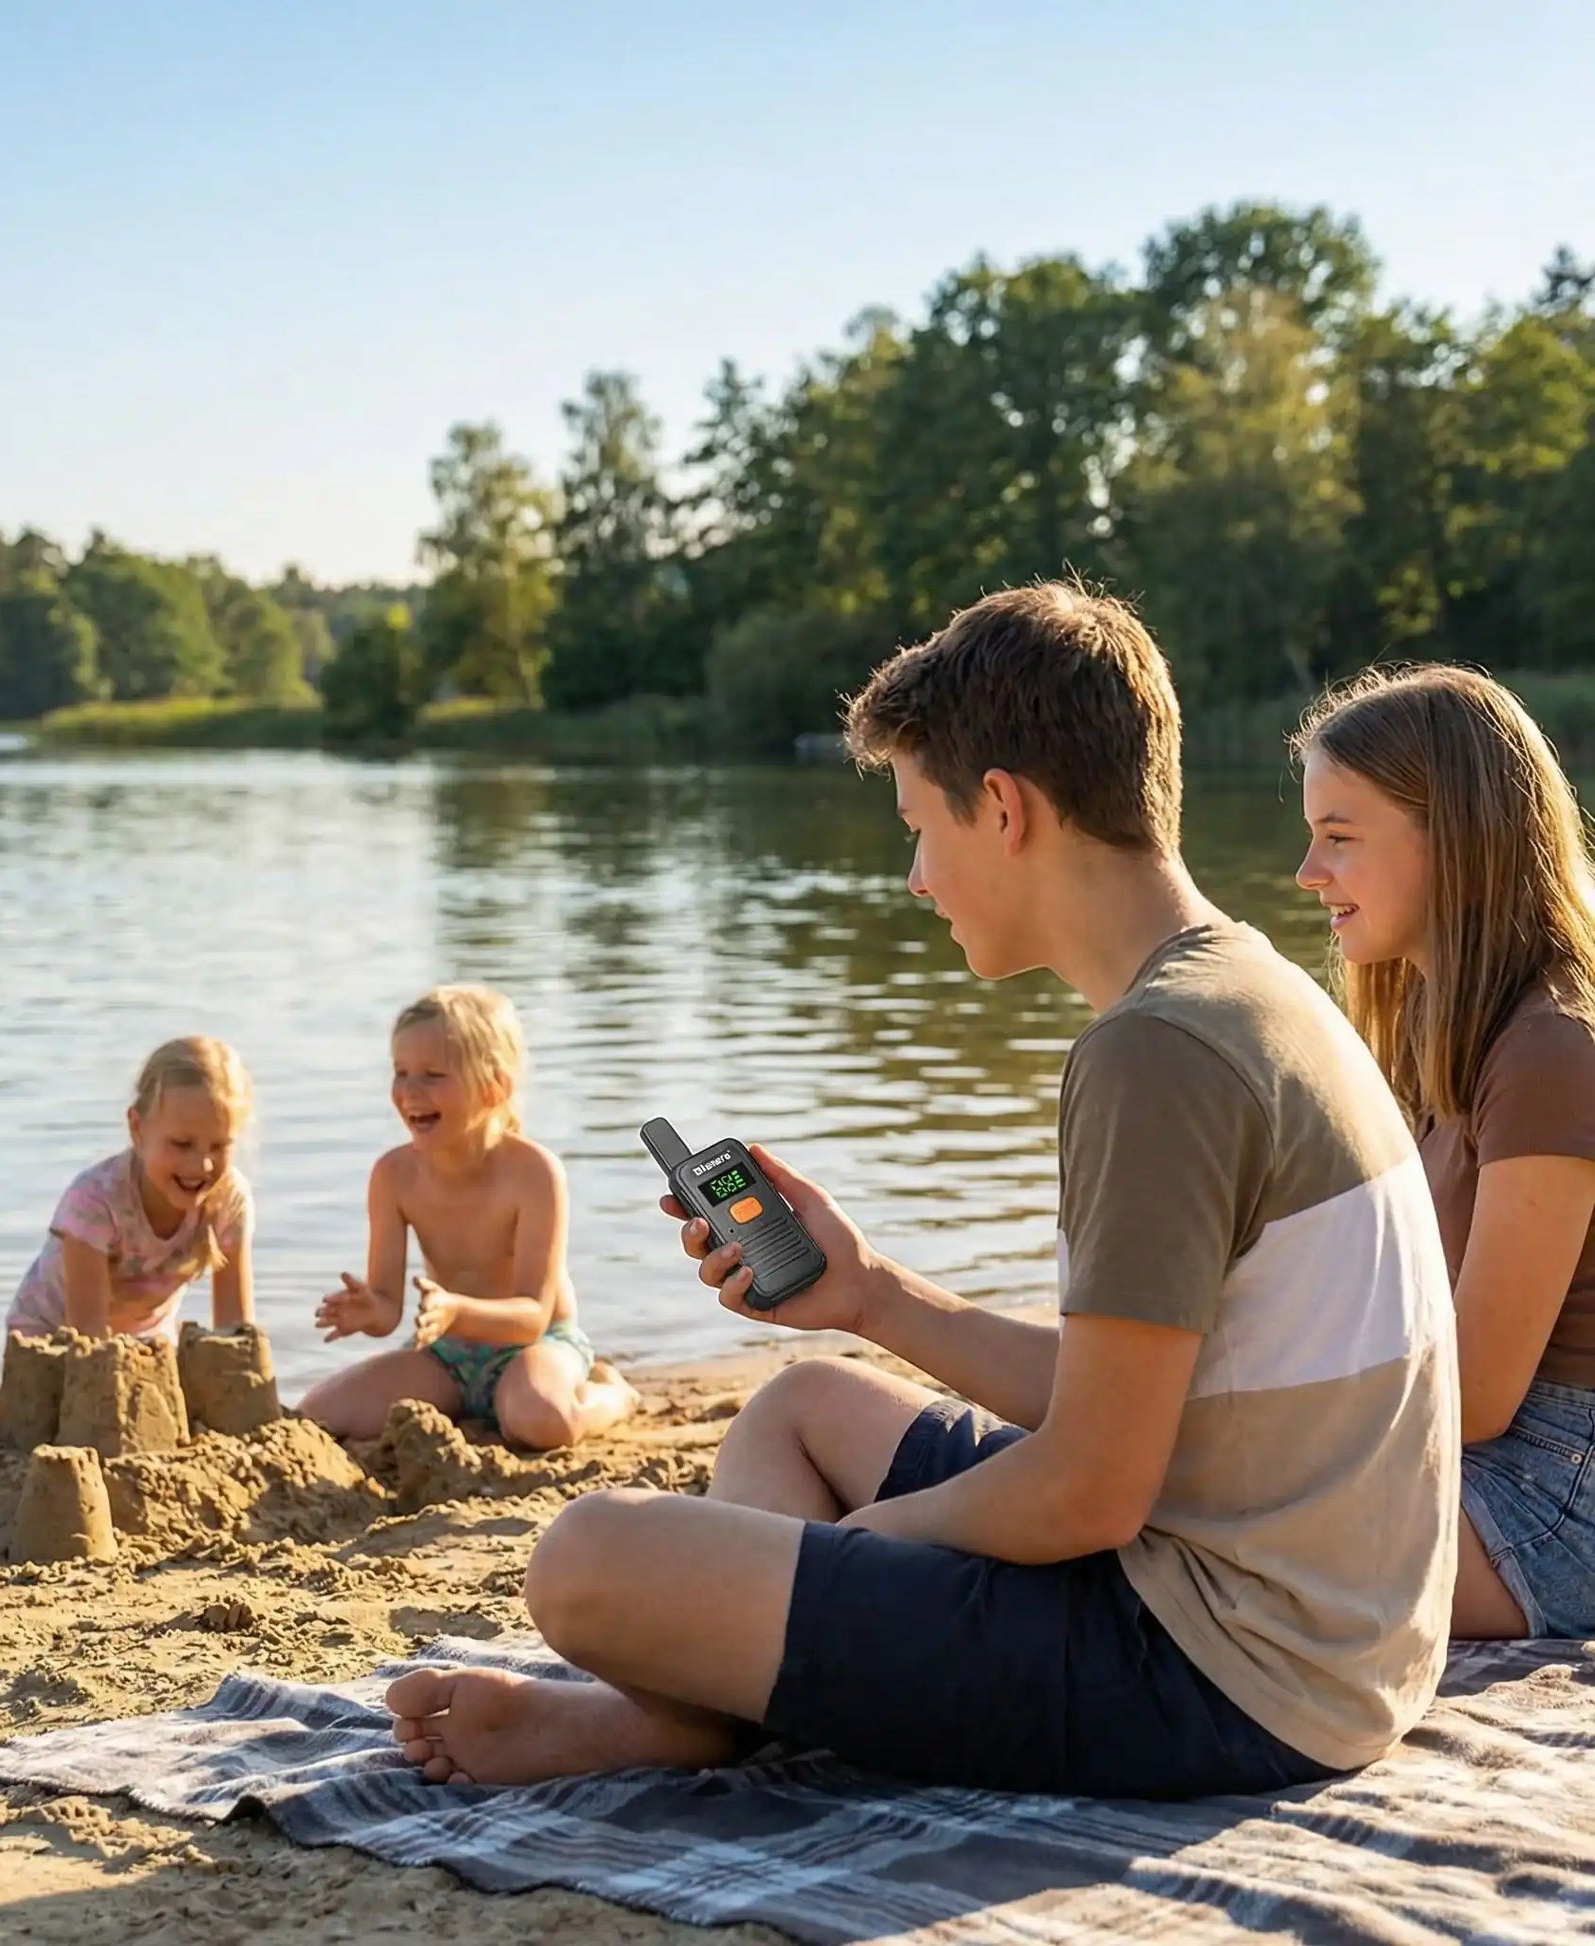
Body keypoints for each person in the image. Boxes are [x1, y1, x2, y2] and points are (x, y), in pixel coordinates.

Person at [385, 584, 1459, 1797]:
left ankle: (697, 1707)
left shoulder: (1153, 1053)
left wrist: (846, 1558)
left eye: (916, 824)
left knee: (585, 1558)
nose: (911, 875)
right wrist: (870, 1295)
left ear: (1000, 807)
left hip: (1221, 1673)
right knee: (797, 1408)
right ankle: (705, 1705)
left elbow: (1090, 1488)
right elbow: (1139, 1399)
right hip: (1324, 1634)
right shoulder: (1244, 989)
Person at [1296, 666, 1595, 1641]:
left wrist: (1252, 1419)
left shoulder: (1551, 1043)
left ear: (1454, 839)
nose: (1307, 871)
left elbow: (1473, 1393)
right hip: (1480, 1453)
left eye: (1338, 838)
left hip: (1552, 1493)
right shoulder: (1444, 1021)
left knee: (1193, 1526)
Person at [299, 985, 636, 1451]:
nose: (409, 1092)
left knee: (543, 1422)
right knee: (317, 1416)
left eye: (433, 1075)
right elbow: (389, 1309)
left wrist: (457, 1310)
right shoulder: (393, 1175)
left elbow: (532, 1318)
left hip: (535, 1346)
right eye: (400, 1073)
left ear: (495, 1086)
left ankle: (614, 1395)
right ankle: (471, 1406)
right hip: (447, 1354)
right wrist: (371, 1310)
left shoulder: (533, 1173)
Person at [5, 1037, 256, 1346]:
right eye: (181, 1144)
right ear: (137, 1128)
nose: (201, 1165)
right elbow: (87, 1341)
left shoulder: (228, 1200)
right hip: (49, 1337)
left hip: (148, 1337)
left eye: (218, 1146)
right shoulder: (95, 1201)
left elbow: (236, 1333)